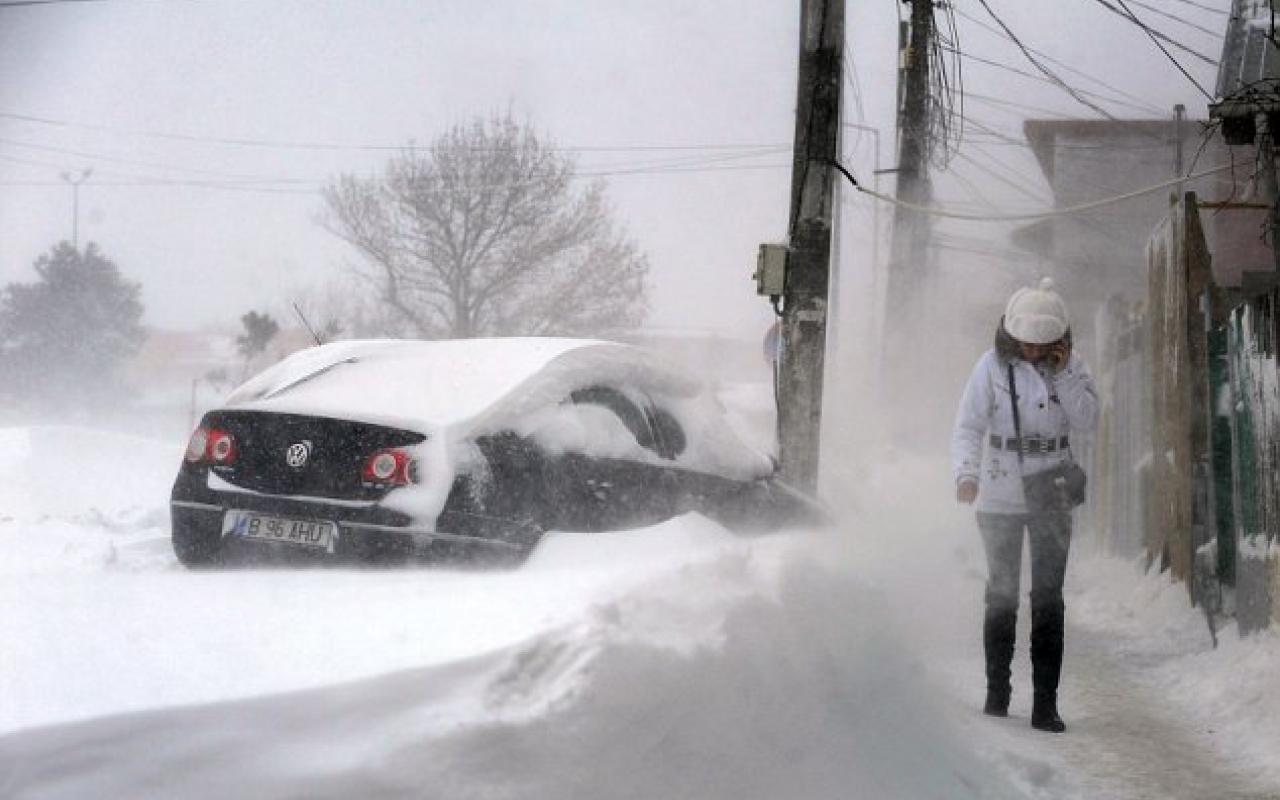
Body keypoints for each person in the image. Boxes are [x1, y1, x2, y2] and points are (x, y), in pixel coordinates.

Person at [950, 278, 1098, 733]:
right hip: (998, 493)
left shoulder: (1071, 369)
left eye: (1043, 345)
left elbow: (1088, 420)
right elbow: (968, 426)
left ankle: (1045, 705)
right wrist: (966, 474)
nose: (1034, 352)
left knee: (1049, 598)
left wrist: (1066, 372)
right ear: (1012, 336)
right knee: (1002, 593)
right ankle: (998, 694)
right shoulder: (989, 368)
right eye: (1026, 344)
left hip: (1050, 489)